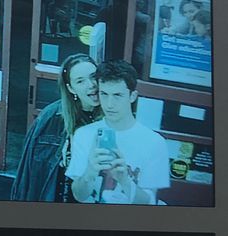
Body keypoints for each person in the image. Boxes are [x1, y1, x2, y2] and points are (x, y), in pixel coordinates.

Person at [65, 60, 170, 205]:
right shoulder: (84, 134)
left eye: (117, 95)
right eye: (104, 94)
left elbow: (149, 203)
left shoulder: (155, 143)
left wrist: (125, 181)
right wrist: (90, 172)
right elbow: (79, 195)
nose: (109, 104)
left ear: (132, 96)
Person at [11, 53, 102, 202]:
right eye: (80, 81)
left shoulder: (112, 114)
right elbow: (28, 174)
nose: (91, 84)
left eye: (94, 76)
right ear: (71, 89)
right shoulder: (51, 118)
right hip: (61, 198)